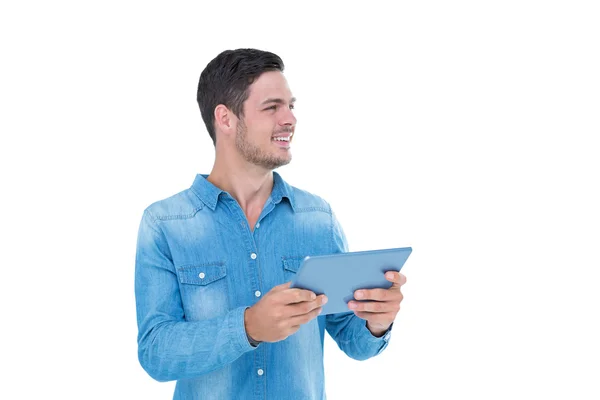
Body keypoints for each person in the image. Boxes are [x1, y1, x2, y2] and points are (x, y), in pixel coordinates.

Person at [134, 48, 407, 400]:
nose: (289, 119)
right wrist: (247, 327)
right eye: (272, 107)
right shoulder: (165, 224)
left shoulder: (316, 219)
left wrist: (376, 321)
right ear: (226, 119)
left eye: (291, 106)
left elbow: (353, 342)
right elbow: (156, 353)